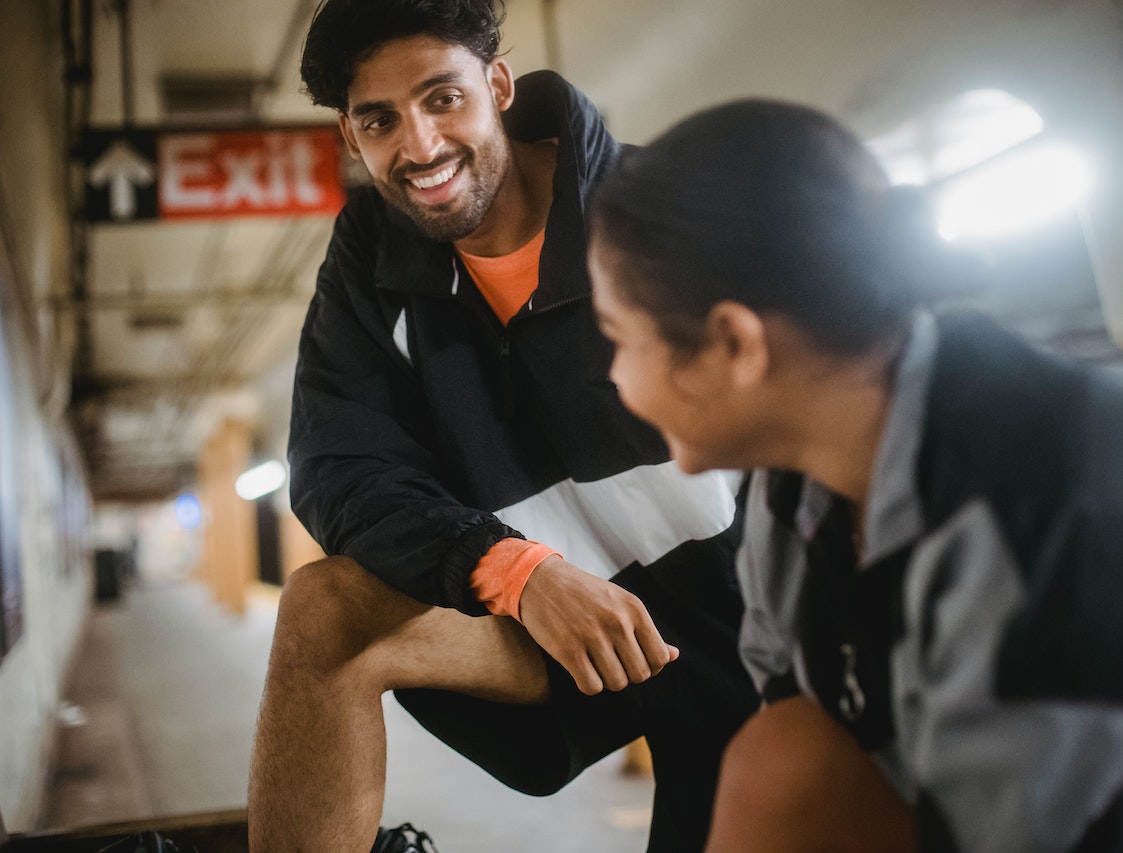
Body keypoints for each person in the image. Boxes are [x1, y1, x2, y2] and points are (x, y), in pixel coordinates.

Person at [587, 99, 1123, 851]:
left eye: (620, 339)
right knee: (782, 754)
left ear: (735, 343)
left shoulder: (1043, 509)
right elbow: (792, 732)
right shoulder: (792, 490)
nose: (616, 379)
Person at [246, 2, 758, 851]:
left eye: (441, 98)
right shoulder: (371, 272)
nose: (419, 146)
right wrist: (513, 569)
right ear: (350, 133)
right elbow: (341, 470)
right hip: (556, 626)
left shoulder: (657, 215)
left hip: (746, 625)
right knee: (323, 608)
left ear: (497, 85)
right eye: (380, 120)